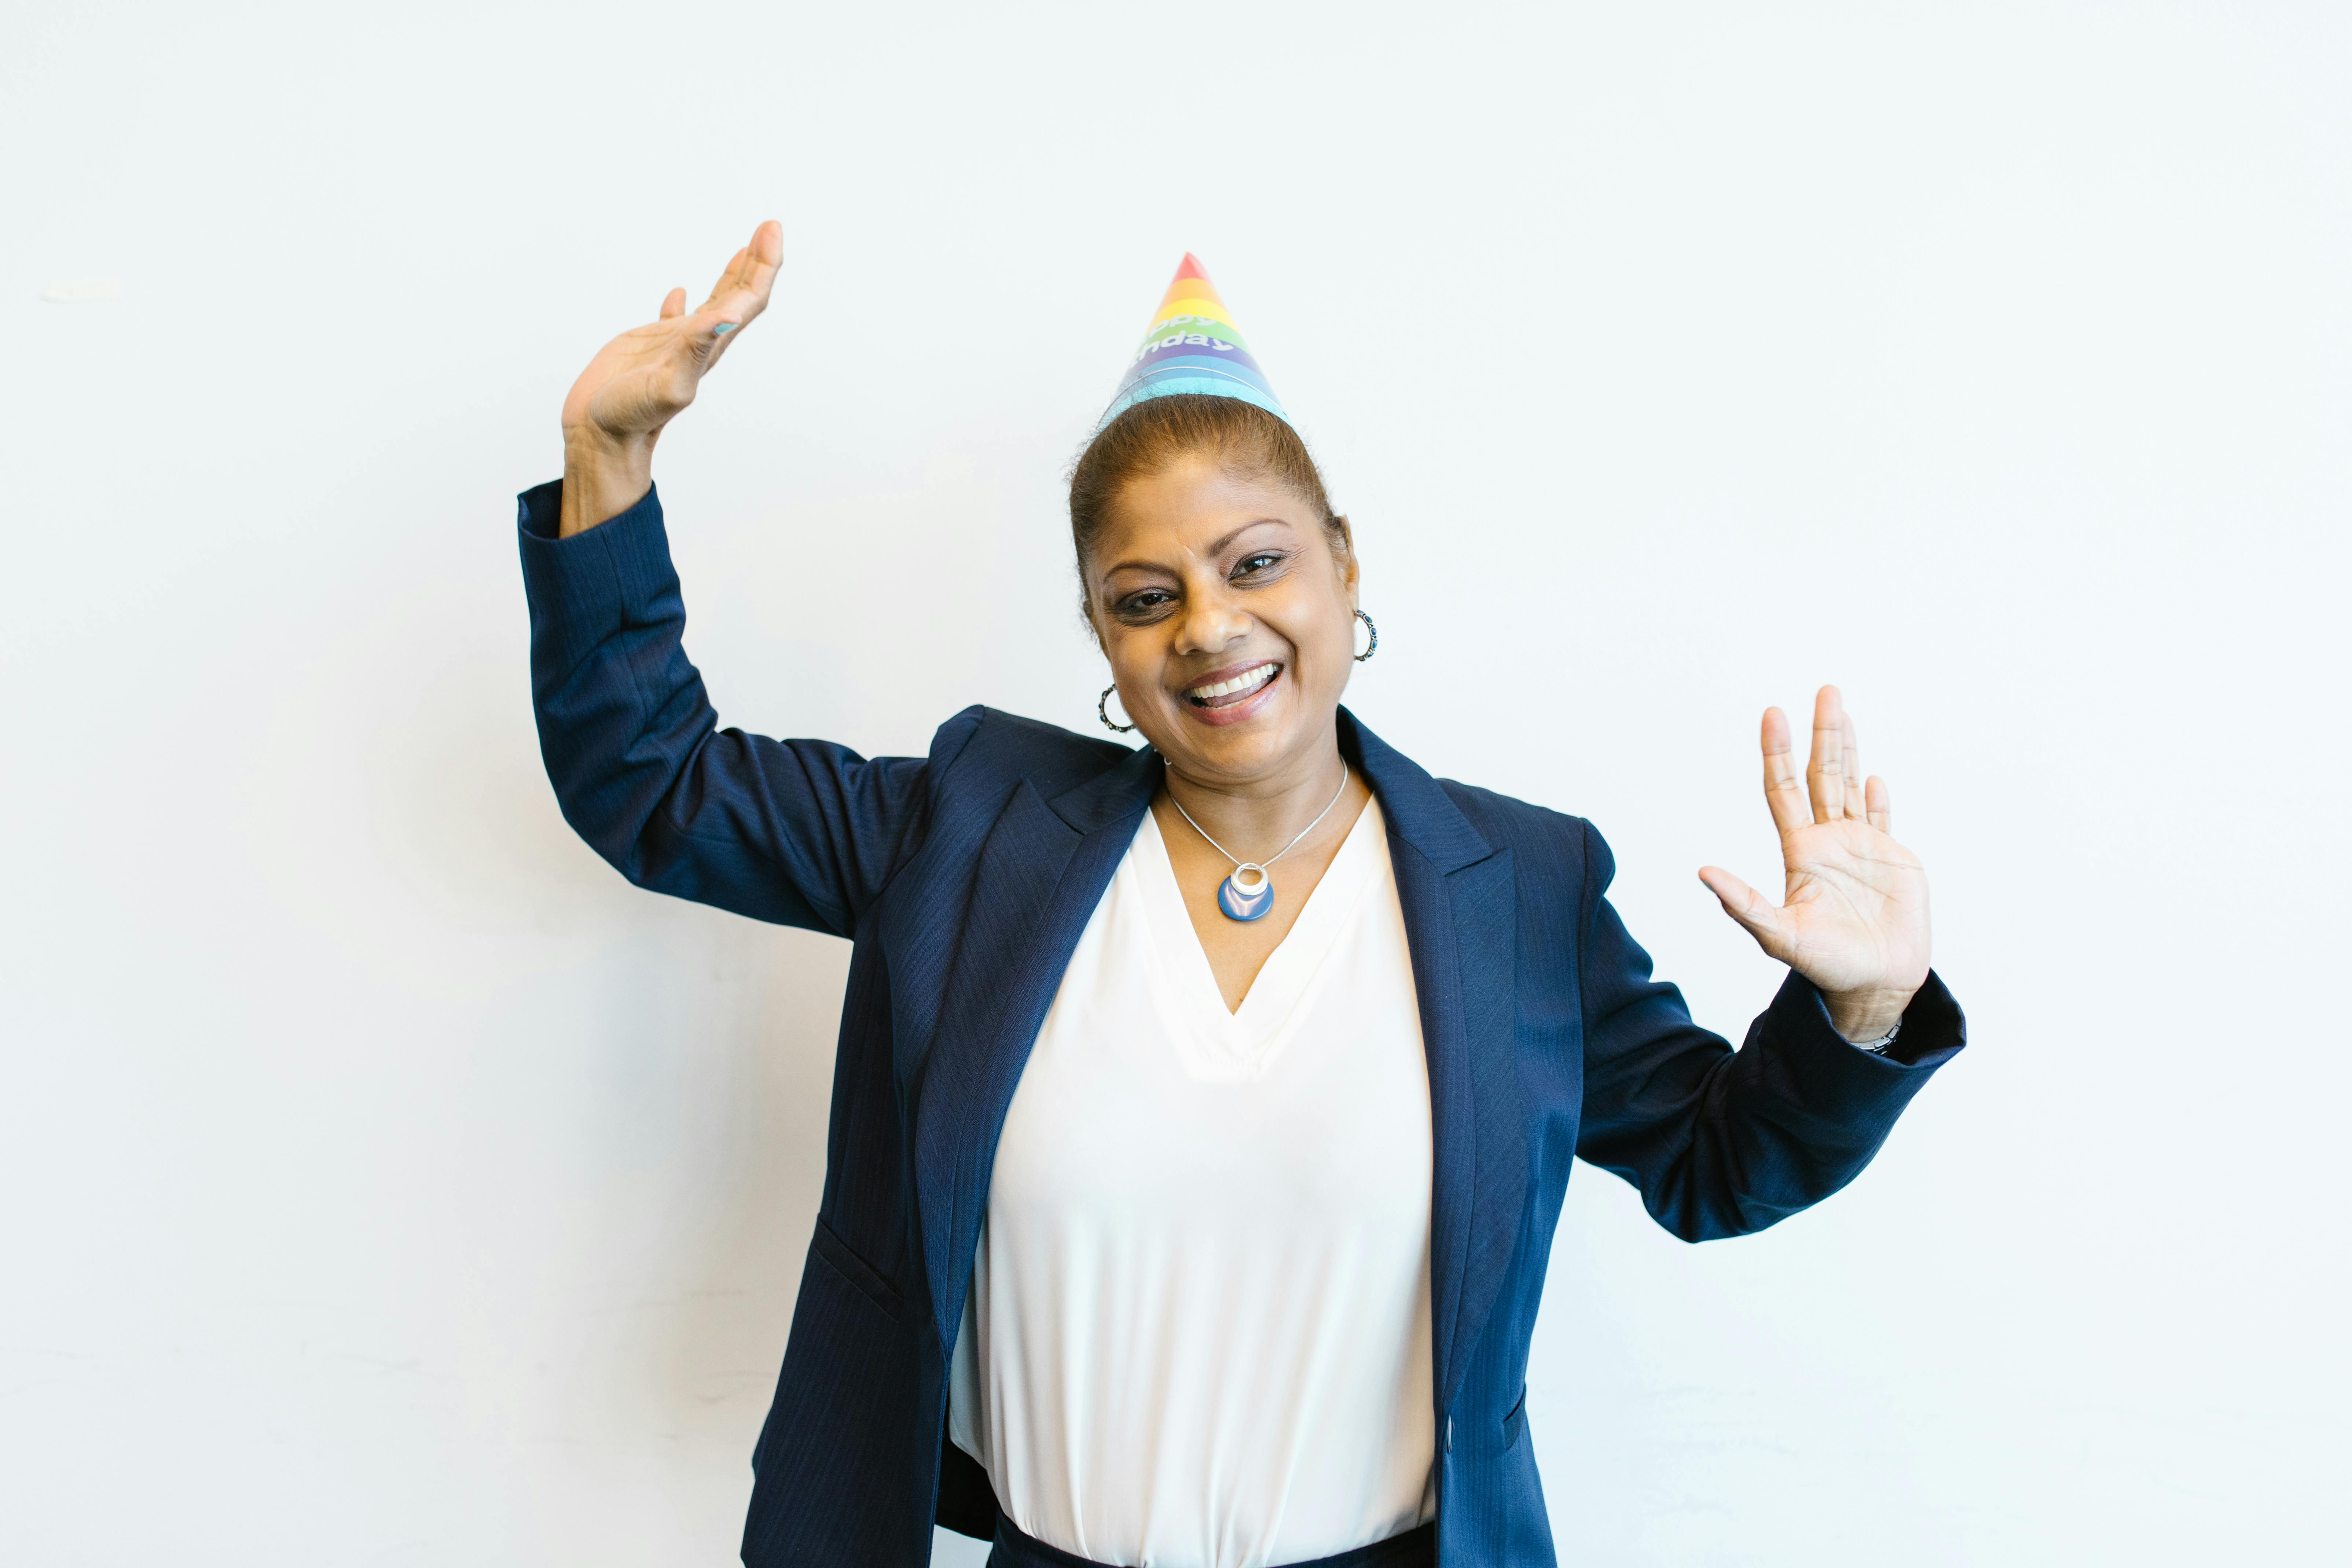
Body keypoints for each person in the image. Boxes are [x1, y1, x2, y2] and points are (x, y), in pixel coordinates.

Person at [517, 220, 1963, 1568]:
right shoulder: (966, 830)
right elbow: (656, 784)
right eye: (1144, 596)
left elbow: (1719, 1163)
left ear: (1343, 565)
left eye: (1254, 562)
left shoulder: (1517, 889)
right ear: (1102, 634)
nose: (1209, 626)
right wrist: (607, 459)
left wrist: (1862, 1006)